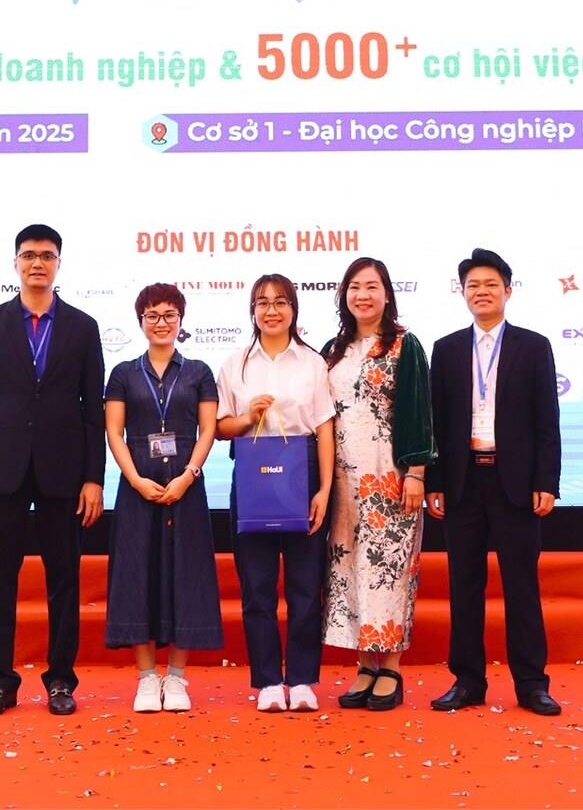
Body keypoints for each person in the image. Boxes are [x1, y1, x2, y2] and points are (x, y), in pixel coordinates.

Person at [0, 224, 106, 718]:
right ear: (16, 263)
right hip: (1, 470)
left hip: (63, 471)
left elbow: (92, 410)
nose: (37, 263)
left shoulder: (83, 327)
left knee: (64, 580)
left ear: (59, 263)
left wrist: (94, 477)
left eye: (46, 255)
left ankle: (61, 679)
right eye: (28, 255)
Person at [427, 248, 563, 716]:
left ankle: (532, 684)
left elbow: (547, 419)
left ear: (507, 290)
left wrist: (547, 480)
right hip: (463, 482)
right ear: (462, 293)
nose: (481, 292)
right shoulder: (446, 349)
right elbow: (437, 423)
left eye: (490, 284)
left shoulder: (533, 346)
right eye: (473, 286)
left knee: (521, 586)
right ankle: (467, 681)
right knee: (464, 586)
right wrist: (435, 482)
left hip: (516, 483)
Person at [215, 274, 336, 712]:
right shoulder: (235, 364)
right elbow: (220, 428)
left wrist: (324, 489)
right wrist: (248, 416)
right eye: (263, 303)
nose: (271, 310)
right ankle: (267, 681)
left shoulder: (313, 363)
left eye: (280, 302)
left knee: (305, 585)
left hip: (302, 476)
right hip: (253, 477)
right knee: (257, 586)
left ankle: (301, 680)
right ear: (252, 311)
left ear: (293, 309)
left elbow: (324, 427)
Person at [320, 256, 434, 711]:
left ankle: (391, 669)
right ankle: (365, 666)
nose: (362, 295)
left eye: (371, 286)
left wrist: (417, 471)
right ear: (344, 296)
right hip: (342, 484)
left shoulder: (405, 345)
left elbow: (420, 412)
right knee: (350, 571)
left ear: (387, 294)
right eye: (354, 287)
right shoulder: (334, 348)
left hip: (389, 479)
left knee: (389, 573)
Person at [103, 283, 224, 712]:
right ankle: (145, 678)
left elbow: (208, 429)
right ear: (140, 321)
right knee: (136, 574)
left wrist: (189, 475)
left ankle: (175, 677)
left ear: (181, 320)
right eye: (152, 315)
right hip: (138, 488)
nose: (161, 322)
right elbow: (114, 431)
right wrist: (135, 479)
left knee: (186, 575)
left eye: (169, 314)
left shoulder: (198, 372)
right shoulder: (123, 373)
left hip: (185, 488)